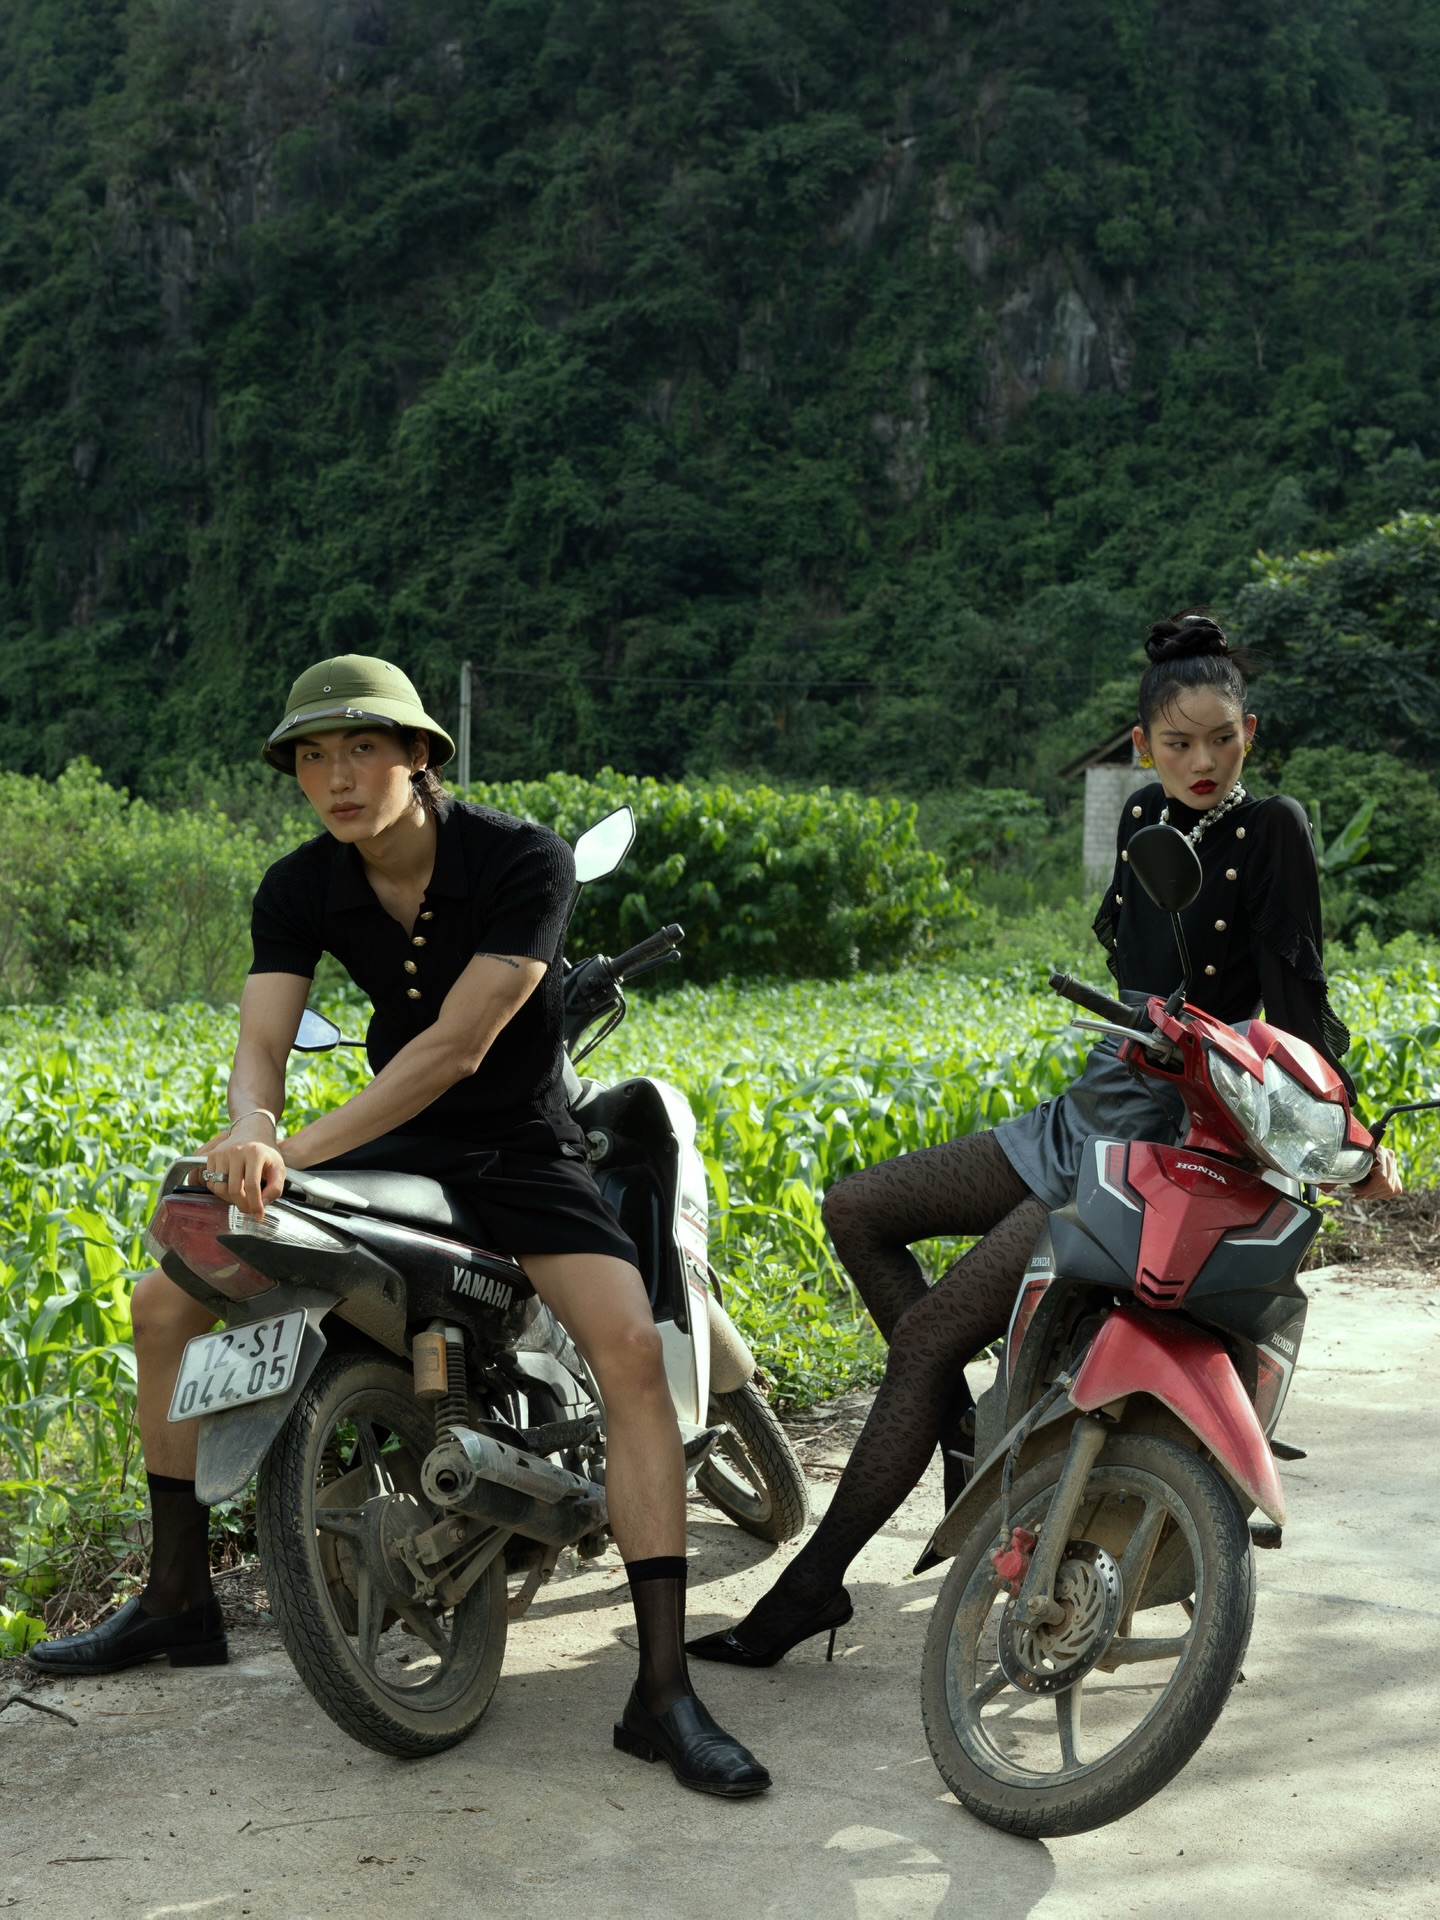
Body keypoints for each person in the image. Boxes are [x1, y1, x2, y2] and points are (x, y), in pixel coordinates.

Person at [31, 654, 769, 1799]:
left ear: (420, 755)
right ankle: (177, 1596)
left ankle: (662, 1687)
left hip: (519, 1146)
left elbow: (459, 1049)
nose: (336, 776)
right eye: (313, 758)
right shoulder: (297, 886)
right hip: (387, 1143)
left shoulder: (524, 858)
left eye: (361, 749)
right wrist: (250, 1127)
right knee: (163, 1303)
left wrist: (294, 1148)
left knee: (626, 1346)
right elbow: (263, 1045)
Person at [688, 609, 1402, 1670]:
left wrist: (1349, 1122)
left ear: (1251, 730)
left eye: (1223, 738)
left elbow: (1301, 999)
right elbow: (1136, 980)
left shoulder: (1276, 829)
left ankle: (813, 1587)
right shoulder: (1142, 819)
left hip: (1172, 1143)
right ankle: (966, 1434)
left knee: (929, 1341)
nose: (1203, 762)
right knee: (857, 1209)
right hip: (1100, 1104)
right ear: (1140, 745)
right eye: (1179, 743)